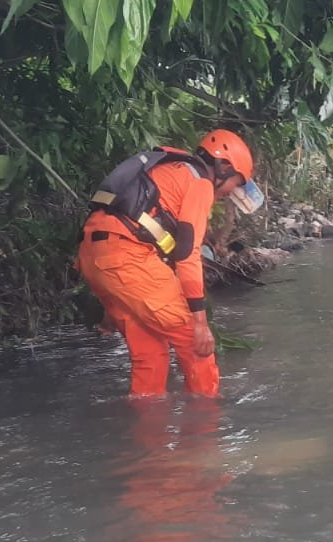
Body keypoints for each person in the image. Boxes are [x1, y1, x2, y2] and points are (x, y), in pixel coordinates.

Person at [79, 128, 263, 398]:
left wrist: (112, 307)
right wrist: (199, 322)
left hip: (95, 257)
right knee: (196, 344)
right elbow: (187, 255)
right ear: (223, 166)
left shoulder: (172, 171)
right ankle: (208, 417)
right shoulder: (200, 183)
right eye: (235, 183)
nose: (229, 192)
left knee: (150, 355)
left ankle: (149, 420)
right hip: (127, 260)